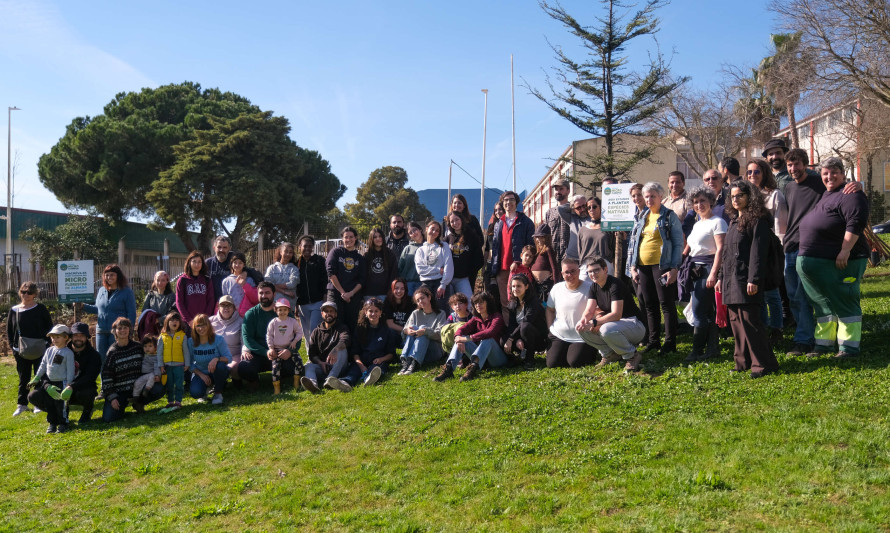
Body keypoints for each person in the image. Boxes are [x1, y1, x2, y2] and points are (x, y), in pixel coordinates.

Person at [783, 148, 862, 356]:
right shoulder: (825, 193)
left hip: (844, 258)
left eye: (834, 172)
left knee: (844, 301)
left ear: (843, 174)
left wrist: (845, 250)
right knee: (822, 305)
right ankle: (824, 344)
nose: (829, 176)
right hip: (808, 256)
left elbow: (856, 221)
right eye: (826, 173)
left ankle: (848, 347)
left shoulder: (848, 192)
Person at [716, 180, 779, 378]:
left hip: (746, 281)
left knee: (751, 322)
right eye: (733, 196)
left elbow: (758, 254)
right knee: (736, 322)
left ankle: (763, 364)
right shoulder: (734, 221)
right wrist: (720, 277)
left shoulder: (757, 221)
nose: (735, 199)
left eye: (740, 195)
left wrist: (754, 279)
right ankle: (742, 362)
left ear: (749, 197)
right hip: (730, 280)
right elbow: (726, 253)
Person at [627, 182, 684, 354]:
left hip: (662, 265)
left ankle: (670, 342)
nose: (649, 199)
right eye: (647, 196)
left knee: (666, 303)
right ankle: (653, 341)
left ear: (660, 197)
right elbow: (635, 242)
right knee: (649, 304)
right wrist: (633, 266)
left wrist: (674, 268)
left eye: (653, 196)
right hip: (643, 266)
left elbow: (677, 243)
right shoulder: (642, 216)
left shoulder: (668, 216)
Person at [680, 186, 726, 362]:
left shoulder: (718, 222)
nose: (699, 204)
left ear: (711, 202)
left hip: (707, 269)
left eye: (703, 201)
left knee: (699, 311)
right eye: (696, 202)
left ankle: (696, 351)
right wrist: (680, 262)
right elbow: (690, 246)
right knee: (706, 311)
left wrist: (714, 274)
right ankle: (712, 349)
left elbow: (721, 249)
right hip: (693, 268)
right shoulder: (698, 223)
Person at [576, 257, 647, 371]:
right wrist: (584, 320)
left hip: (634, 325)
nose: (593, 274)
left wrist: (594, 322)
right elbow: (589, 310)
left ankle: (632, 355)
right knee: (580, 328)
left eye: (596, 270)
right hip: (615, 325)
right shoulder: (594, 287)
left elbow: (616, 314)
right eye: (590, 271)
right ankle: (610, 354)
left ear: (605, 270)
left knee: (605, 329)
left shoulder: (615, 284)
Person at [746, 158, 788, 345]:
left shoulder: (774, 195)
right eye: (749, 172)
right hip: (751, 249)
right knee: (757, 293)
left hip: (771, 249)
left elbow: (780, 226)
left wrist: (779, 253)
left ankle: (777, 329)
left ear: (764, 173)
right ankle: (762, 328)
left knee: (772, 292)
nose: (752, 175)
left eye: (756, 171)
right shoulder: (745, 196)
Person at [100, 317, 165, 422]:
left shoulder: (138, 347)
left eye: (125, 327)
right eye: (119, 328)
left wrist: (156, 374)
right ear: (115, 332)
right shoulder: (112, 352)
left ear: (129, 330)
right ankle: (123, 405)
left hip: (138, 387)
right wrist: (112, 397)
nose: (122, 331)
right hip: (120, 391)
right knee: (109, 418)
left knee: (158, 389)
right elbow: (106, 376)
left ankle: (139, 402)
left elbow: (151, 360)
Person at [436, 291, 506, 382]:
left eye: (481, 302)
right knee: (462, 338)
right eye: (476, 303)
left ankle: (473, 368)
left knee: (487, 339)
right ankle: (449, 368)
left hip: (497, 358)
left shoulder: (497, 317)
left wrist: (467, 338)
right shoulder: (476, 319)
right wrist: (459, 339)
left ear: (488, 303)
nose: (478, 305)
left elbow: (490, 332)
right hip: (482, 360)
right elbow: (461, 329)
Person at [8, 281, 52, 417]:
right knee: (24, 377)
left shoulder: (40, 309)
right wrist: (13, 348)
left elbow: (49, 327)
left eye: (29, 292)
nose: (26, 295)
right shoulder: (15, 310)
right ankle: (22, 404)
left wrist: (47, 344)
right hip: (21, 350)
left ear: (34, 294)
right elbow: (10, 331)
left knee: (39, 376)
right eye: (23, 292)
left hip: (40, 348)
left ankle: (38, 403)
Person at [490, 190, 536, 321]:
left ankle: (522, 330)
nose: (508, 202)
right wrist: (494, 269)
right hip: (502, 269)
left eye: (511, 199)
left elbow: (531, 246)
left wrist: (520, 262)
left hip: (520, 269)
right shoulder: (499, 223)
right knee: (506, 304)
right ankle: (509, 332)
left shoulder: (525, 222)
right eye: (505, 200)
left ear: (516, 203)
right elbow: (495, 247)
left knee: (522, 302)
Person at [545, 258, 597, 368]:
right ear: (562, 274)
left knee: (575, 362)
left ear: (579, 271)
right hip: (559, 334)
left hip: (582, 336)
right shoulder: (556, 288)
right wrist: (550, 328)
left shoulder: (590, 288)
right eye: (567, 272)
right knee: (552, 364)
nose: (570, 275)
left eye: (573, 271)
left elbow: (598, 311)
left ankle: (588, 351)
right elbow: (550, 309)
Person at [82, 264, 137, 364]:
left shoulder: (126, 292)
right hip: (101, 330)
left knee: (115, 358)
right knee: (102, 359)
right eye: (107, 275)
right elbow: (98, 309)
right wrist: (82, 306)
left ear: (118, 276)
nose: (109, 277)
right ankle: (105, 379)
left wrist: (129, 330)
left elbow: (132, 313)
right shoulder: (102, 290)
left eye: (112, 275)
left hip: (117, 331)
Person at [26, 325, 75, 433]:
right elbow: (43, 365)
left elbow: (71, 370)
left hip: (62, 382)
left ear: (66, 337)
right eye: (52, 337)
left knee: (60, 404)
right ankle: (52, 423)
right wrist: (36, 377)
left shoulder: (68, 353)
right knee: (50, 403)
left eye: (57, 337)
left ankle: (63, 423)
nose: (54, 339)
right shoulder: (49, 351)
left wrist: (69, 385)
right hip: (50, 382)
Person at [302, 301, 355, 393]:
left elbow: (346, 340)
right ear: (322, 314)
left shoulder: (342, 327)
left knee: (342, 350)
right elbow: (312, 353)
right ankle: (312, 384)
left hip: (339, 366)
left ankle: (330, 379)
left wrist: (335, 349)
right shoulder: (316, 331)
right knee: (308, 366)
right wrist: (320, 363)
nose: (329, 314)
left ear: (336, 313)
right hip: (323, 366)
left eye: (331, 311)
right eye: (326, 311)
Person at [237, 281, 279, 388]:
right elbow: (247, 338)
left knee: (292, 366)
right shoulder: (250, 314)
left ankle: (280, 378)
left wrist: (289, 350)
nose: (264, 296)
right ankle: (254, 381)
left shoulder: (283, 311)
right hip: (257, 354)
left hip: (279, 352)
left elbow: (296, 332)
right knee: (244, 367)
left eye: (267, 293)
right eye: (261, 293)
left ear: (274, 294)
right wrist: (265, 352)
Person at [398, 286, 447, 375]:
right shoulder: (415, 313)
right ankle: (407, 362)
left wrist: (425, 331)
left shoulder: (441, 314)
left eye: (422, 298)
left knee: (423, 329)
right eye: (418, 300)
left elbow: (440, 335)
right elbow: (404, 332)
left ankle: (414, 363)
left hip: (434, 350)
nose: (421, 301)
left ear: (429, 297)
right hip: (416, 349)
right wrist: (407, 331)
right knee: (412, 327)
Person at [326, 226, 365, 334]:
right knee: (334, 323)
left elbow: (362, 280)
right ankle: (334, 350)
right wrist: (343, 293)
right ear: (342, 239)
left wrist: (351, 293)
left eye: (351, 237)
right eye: (346, 237)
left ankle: (350, 350)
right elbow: (331, 273)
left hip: (353, 297)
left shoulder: (359, 258)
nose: (349, 239)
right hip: (335, 293)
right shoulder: (335, 252)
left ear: (356, 238)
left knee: (351, 324)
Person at [503, 273, 547, 370]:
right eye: (513, 286)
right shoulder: (512, 304)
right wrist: (516, 339)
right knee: (503, 337)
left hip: (537, 339)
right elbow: (512, 325)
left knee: (525, 326)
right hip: (521, 335)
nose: (515, 289)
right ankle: (513, 358)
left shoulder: (534, 302)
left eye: (519, 286)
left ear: (526, 287)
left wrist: (511, 339)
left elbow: (527, 321)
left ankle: (529, 359)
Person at [351, 298, 399, 386]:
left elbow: (391, 354)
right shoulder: (359, 330)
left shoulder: (387, 331)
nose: (373, 314)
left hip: (378, 362)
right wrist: (361, 366)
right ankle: (345, 382)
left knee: (377, 370)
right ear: (365, 312)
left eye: (376, 311)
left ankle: (369, 379)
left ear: (380, 312)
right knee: (353, 372)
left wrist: (382, 359)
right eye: (370, 311)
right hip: (362, 361)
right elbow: (355, 352)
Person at [187, 314, 231, 405]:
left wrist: (216, 359)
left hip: (217, 371)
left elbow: (229, 358)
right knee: (196, 393)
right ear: (194, 327)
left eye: (204, 325)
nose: (201, 328)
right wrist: (201, 374)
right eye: (198, 325)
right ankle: (205, 389)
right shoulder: (191, 342)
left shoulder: (218, 339)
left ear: (209, 326)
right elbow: (189, 363)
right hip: (201, 373)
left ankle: (218, 393)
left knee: (221, 365)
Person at [64, 322, 102, 423]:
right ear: (71, 337)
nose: (78, 338)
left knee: (88, 391)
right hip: (63, 386)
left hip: (82, 388)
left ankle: (87, 410)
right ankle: (59, 411)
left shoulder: (94, 355)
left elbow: (90, 377)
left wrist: (71, 386)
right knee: (35, 395)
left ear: (87, 337)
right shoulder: (61, 351)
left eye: (82, 336)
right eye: (76, 335)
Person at [266, 298, 304, 394]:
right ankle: (277, 388)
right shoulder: (273, 322)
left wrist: (294, 341)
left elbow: (300, 332)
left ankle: (296, 382)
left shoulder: (292, 321)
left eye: (285, 309)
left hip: (289, 348)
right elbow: (269, 335)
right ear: (276, 310)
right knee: (275, 368)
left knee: (299, 362)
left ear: (288, 310)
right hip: (277, 349)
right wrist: (271, 348)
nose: (282, 312)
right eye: (280, 310)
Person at [415, 220, 454, 310]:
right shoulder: (420, 250)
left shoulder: (444, 246)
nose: (434, 232)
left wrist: (443, 285)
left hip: (440, 283)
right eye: (432, 229)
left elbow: (448, 265)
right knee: (425, 311)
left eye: (437, 231)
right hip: (426, 283)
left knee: (441, 311)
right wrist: (437, 269)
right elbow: (420, 270)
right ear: (427, 229)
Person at [157, 311, 191, 413]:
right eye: (172, 320)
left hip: (179, 365)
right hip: (167, 366)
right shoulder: (162, 337)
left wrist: (187, 364)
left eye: (177, 320)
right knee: (169, 385)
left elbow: (186, 351)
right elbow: (159, 353)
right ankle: (171, 401)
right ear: (167, 322)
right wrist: (161, 365)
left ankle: (178, 401)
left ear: (180, 323)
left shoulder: (182, 336)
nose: (174, 322)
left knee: (179, 384)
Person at [296, 235, 329, 336]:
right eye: (305, 246)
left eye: (310, 246)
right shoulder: (296, 263)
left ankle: (315, 351)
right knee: (306, 331)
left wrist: (325, 296)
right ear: (299, 247)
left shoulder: (319, 260)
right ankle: (309, 351)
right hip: (302, 303)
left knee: (314, 328)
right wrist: (296, 304)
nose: (307, 249)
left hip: (317, 302)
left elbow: (325, 279)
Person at [446, 210, 483, 299]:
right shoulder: (447, 239)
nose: (455, 223)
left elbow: (479, 259)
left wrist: (468, 272)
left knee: (468, 304)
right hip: (448, 279)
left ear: (462, 220)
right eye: (452, 221)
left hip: (463, 278)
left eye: (457, 219)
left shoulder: (472, 237)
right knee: (449, 304)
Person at [175, 251, 216, 330]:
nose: (197, 264)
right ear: (189, 262)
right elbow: (179, 302)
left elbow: (211, 300)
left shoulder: (207, 280)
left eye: (199, 262)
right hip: (187, 323)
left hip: (203, 322)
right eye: (194, 261)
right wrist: (189, 320)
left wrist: (204, 318)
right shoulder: (182, 280)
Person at [577, 196, 615, 276]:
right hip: (586, 267)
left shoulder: (609, 228)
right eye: (589, 207)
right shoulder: (582, 230)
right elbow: (580, 251)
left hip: (604, 266)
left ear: (600, 208)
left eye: (594, 207)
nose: (591, 209)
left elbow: (613, 249)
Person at [210, 295, 243, 382]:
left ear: (234, 307)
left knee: (231, 368)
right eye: (223, 305)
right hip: (214, 355)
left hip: (234, 355)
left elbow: (244, 342)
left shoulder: (241, 321)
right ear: (218, 307)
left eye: (229, 305)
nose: (226, 308)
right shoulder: (210, 321)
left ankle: (236, 379)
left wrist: (244, 352)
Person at [364, 227, 397, 301]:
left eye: (380, 236)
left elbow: (393, 274)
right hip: (369, 293)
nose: (378, 239)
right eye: (375, 237)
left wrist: (390, 291)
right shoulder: (367, 255)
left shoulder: (390, 254)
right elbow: (363, 275)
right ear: (371, 239)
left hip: (385, 293)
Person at [557, 194, 592, 266]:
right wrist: (572, 205)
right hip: (573, 258)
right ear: (573, 209)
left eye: (584, 206)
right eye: (579, 208)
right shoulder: (571, 218)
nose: (582, 209)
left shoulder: (593, 216)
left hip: (589, 259)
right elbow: (560, 209)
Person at [530, 224, 561, 303]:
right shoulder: (538, 251)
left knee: (546, 306)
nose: (538, 239)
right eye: (537, 237)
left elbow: (554, 268)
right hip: (536, 285)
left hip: (546, 286)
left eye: (541, 237)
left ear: (547, 238)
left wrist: (555, 285)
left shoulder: (548, 249)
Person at [221, 252, 257, 317]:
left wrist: (245, 285)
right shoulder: (226, 281)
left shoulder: (250, 280)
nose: (237, 265)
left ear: (244, 265)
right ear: (231, 264)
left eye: (240, 263)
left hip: (247, 313)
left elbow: (254, 296)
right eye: (235, 262)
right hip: (232, 315)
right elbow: (225, 299)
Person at [265, 242, 300, 310]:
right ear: (281, 252)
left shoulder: (294, 269)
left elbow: (292, 284)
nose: (288, 254)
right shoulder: (272, 268)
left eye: (290, 252)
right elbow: (267, 284)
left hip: (289, 306)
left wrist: (274, 286)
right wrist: (285, 292)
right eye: (286, 251)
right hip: (274, 305)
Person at [545, 178, 572, 263]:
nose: (558, 191)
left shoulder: (573, 210)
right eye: (556, 189)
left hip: (570, 256)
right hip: (553, 257)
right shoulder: (550, 212)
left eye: (561, 189)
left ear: (568, 191)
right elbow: (546, 234)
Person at [398, 222, 425, 296]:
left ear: (420, 230)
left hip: (424, 283)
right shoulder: (407, 248)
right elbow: (400, 267)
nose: (413, 233)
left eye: (415, 230)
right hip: (409, 284)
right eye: (410, 232)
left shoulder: (428, 246)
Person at [132, 335, 161, 403]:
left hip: (151, 374)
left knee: (152, 376)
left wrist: (157, 375)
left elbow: (157, 367)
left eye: (150, 346)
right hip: (144, 375)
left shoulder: (155, 357)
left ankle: (147, 389)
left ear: (155, 347)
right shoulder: (143, 355)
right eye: (145, 346)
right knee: (137, 383)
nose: (147, 348)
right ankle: (135, 397)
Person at [205, 235, 234, 301]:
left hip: (229, 304)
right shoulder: (207, 264)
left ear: (229, 248)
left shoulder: (234, 264)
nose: (221, 250)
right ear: (214, 248)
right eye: (219, 247)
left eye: (225, 247)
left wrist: (245, 273)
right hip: (211, 303)